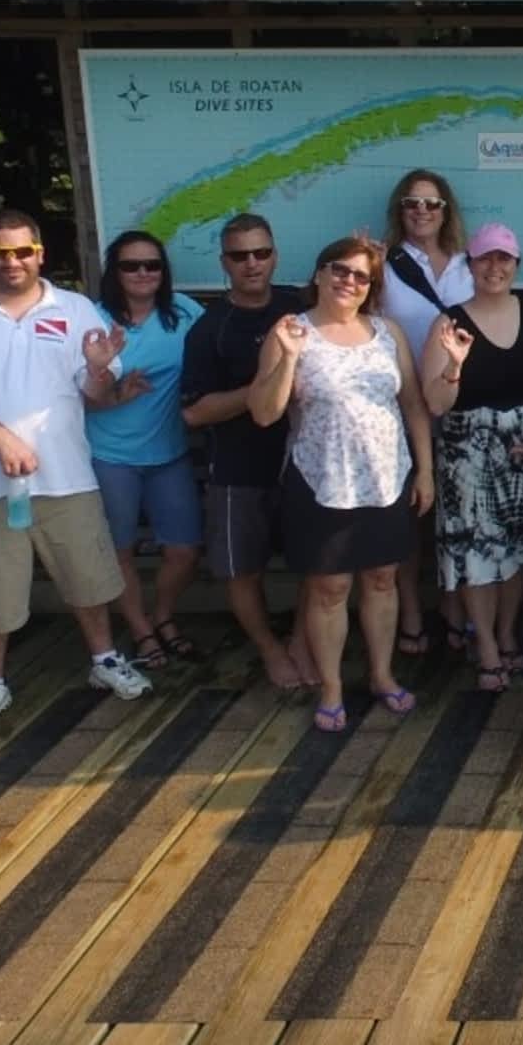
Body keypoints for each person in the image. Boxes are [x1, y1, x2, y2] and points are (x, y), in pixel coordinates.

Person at [0, 210, 153, 739]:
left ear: (40, 253)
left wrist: (96, 369)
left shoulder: (73, 309)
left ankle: (104, 658)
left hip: (68, 477)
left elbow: (97, 396)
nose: (13, 262)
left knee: (87, 580)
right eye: (0, 254)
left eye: (23, 251)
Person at [248, 236, 435, 732]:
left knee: (382, 580)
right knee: (329, 587)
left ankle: (381, 674)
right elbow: (264, 414)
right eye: (340, 270)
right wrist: (288, 358)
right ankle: (331, 687)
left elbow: (413, 404)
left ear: (371, 287)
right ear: (319, 273)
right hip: (320, 479)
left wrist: (426, 470)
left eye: (360, 276)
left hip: (386, 478)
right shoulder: (291, 331)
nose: (348, 281)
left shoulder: (387, 332)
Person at [422, 224, 523, 692]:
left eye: (504, 259)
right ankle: (485, 645)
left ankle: (509, 634)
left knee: (522, 550)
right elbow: (435, 404)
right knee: (477, 557)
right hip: (469, 459)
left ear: (517, 265)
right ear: (471, 264)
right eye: (485, 259)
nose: (495, 268)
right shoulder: (449, 321)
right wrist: (455, 366)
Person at [181, 214, 311, 693]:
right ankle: (270, 651)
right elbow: (194, 413)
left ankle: (300, 641)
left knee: (314, 564)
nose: (252, 264)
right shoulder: (210, 328)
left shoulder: (300, 307)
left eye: (261, 253)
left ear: (275, 255)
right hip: (238, 467)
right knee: (241, 569)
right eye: (240, 256)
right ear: (224, 263)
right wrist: (263, 388)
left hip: (304, 463)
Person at [86, 230, 205, 670]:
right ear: (114, 272)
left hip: (170, 452)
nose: (141, 273)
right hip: (109, 453)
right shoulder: (93, 319)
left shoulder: (186, 313)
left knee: (185, 549)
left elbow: (212, 364)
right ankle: (140, 630)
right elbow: (70, 393)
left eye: (151, 265)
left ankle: (162, 616)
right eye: (130, 265)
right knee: (120, 550)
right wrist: (111, 386)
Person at [379, 169, 474, 657]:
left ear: (446, 210)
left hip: (458, 401)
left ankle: (455, 608)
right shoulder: (382, 262)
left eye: (432, 203)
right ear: (400, 209)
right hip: (398, 406)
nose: (422, 211)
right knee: (410, 517)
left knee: (456, 513)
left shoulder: (469, 262)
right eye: (412, 202)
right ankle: (413, 610)